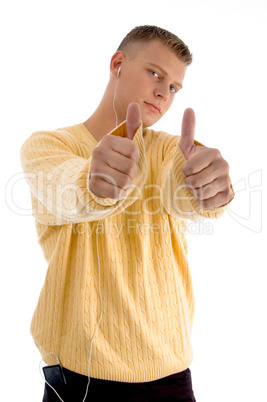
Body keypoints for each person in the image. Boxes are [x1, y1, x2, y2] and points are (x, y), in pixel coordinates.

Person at [20, 25, 234, 402]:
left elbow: (178, 188)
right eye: (156, 73)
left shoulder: (167, 149)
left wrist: (208, 190)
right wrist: (93, 182)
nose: (163, 94)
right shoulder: (49, 145)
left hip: (171, 373)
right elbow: (62, 187)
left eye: (173, 88)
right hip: (81, 378)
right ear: (118, 63)